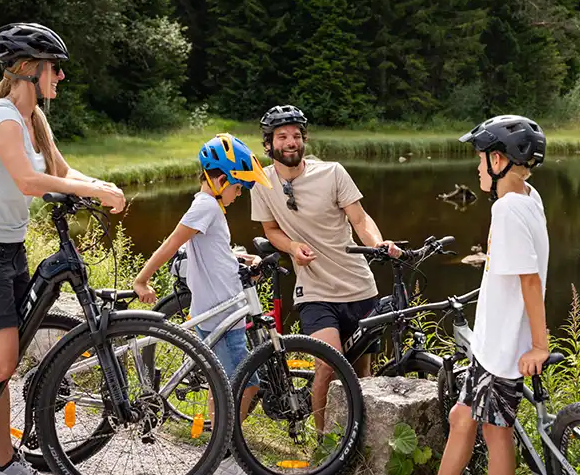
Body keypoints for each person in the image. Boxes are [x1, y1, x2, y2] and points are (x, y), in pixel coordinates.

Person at [0, 22, 126, 475]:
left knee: (0, 366)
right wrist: (97, 194)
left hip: (7, 252)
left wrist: (101, 185)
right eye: (55, 68)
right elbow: (28, 181)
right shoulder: (2, 117)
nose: (61, 77)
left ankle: (2, 460)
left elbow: (62, 170)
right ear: (30, 69)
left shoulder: (34, 119)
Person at [249, 104, 400, 431]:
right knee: (327, 365)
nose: (291, 142)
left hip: (359, 286)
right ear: (269, 144)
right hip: (315, 290)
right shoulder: (261, 183)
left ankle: (359, 441)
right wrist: (291, 247)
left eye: (296, 136)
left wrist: (377, 244)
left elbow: (359, 218)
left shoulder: (332, 172)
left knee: (363, 374)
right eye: (282, 136)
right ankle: (323, 447)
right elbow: (270, 229)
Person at [133, 133, 272, 424]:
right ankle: (227, 444)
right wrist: (142, 280)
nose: (239, 194)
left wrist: (242, 258)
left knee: (221, 383)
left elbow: (214, 252)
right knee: (249, 384)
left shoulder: (211, 208)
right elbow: (172, 244)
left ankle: (216, 442)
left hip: (223, 313)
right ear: (220, 180)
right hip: (219, 314)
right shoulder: (206, 207)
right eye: (238, 187)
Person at [438, 115, 549, 475]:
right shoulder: (530, 198)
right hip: (493, 345)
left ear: (497, 161)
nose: (477, 166)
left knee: (495, 431)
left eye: (480, 157)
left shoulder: (507, 209)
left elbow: (530, 281)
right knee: (462, 417)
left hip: (504, 350)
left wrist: (539, 345)